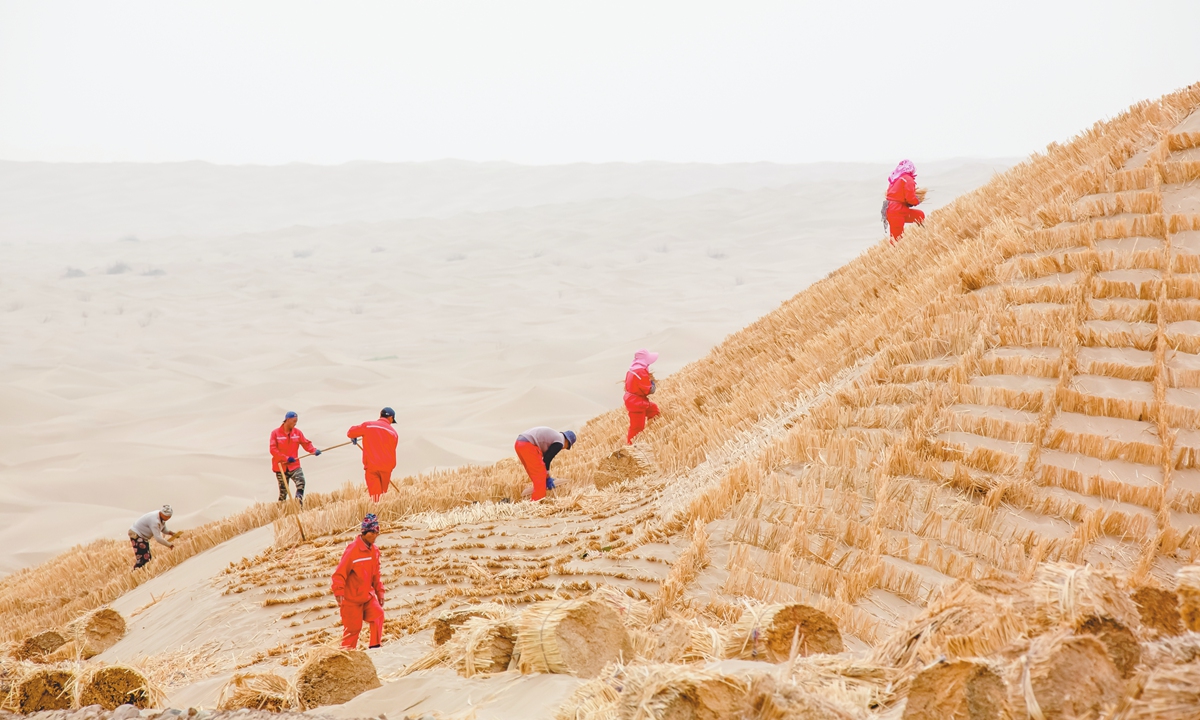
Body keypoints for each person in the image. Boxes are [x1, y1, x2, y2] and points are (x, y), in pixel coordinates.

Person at [331, 513, 386, 649]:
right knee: (352, 631)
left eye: (377, 532)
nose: (375, 535)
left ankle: (375, 647)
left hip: (367, 597)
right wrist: (338, 591)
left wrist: (380, 592)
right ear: (365, 532)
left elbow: (376, 575)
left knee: (378, 614)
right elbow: (339, 573)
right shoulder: (352, 551)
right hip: (351, 600)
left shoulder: (375, 551)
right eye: (372, 532)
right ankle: (346, 657)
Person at [348, 408, 399, 502]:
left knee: (375, 496)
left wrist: (354, 436)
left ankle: (375, 513)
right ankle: (381, 512)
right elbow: (393, 449)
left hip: (372, 465)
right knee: (383, 494)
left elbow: (350, 432)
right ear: (391, 418)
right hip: (387, 466)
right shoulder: (394, 433)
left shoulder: (368, 425)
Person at [270, 411, 320, 505]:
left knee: (301, 483)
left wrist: (314, 450)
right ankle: (281, 511)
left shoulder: (297, 432)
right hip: (281, 466)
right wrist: (285, 458)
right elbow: (273, 449)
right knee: (283, 492)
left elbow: (306, 443)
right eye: (294, 421)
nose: (295, 423)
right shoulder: (275, 433)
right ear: (287, 420)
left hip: (294, 465)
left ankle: (298, 503)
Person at [514, 427, 576, 502]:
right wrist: (547, 477)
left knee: (533, 471)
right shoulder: (560, 442)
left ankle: (537, 489)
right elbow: (547, 459)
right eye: (567, 447)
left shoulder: (555, 436)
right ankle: (537, 501)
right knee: (540, 473)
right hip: (527, 445)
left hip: (519, 443)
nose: (564, 448)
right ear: (567, 442)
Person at [624, 349, 660, 444]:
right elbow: (648, 390)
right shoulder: (640, 372)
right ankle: (631, 446)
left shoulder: (632, 369)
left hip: (634, 401)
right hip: (636, 403)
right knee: (637, 427)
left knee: (653, 410)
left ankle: (654, 432)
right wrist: (652, 384)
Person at [884, 159, 925, 243]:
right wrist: (916, 201)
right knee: (897, 239)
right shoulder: (908, 180)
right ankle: (896, 253)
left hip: (890, 209)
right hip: (897, 211)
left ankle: (920, 237)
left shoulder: (895, 178)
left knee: (919, 215)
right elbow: (910, 197)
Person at [129, 505, 178, 570]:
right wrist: (170, 545)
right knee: (143, 558)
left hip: (142, 536)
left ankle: (142, 572)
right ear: (162, 513)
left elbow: (163, 529)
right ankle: (135, 572)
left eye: (169, 517)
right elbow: (158, 538)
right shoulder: (155, 521)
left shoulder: (161, 517)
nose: (167, 519)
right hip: (136, 534)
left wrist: (171, 533)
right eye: (166, 517)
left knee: (147, 557)